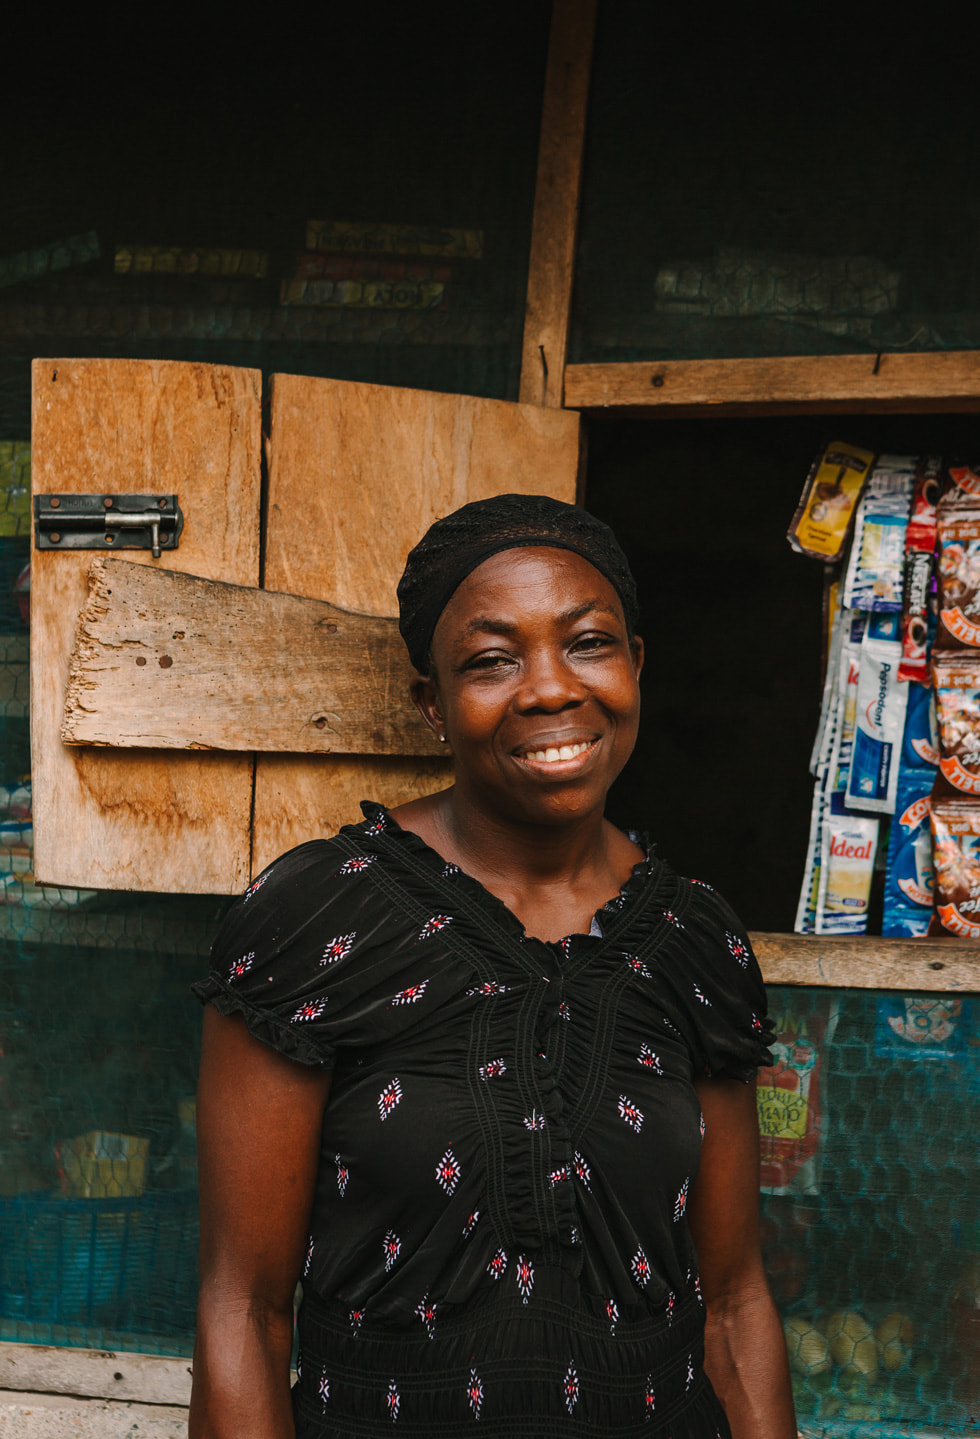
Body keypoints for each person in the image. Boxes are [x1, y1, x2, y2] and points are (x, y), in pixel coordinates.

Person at [188, 494, 796, 1439]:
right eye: (492, 659)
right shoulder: (319, 918)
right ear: (431, 701)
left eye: (589, 643)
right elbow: (243, 1312)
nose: (551, 689)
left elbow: (735, 1304)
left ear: (636, 664)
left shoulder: (695, 940)